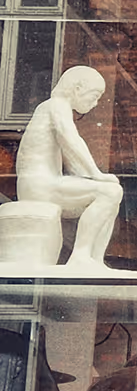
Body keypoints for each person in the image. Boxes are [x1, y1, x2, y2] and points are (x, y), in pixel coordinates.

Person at [15, 68, 123, 273]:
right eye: (94, 96)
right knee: (110, 192)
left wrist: (93, 178)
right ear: (77, 88)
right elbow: (71, 139)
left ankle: (95, 259)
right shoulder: (56, 105)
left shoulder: (51, 109)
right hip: (39, 186)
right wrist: (96, 174)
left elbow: (70, 157)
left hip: (43, 183)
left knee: (111, 194)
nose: (96, 103)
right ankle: (81, 256)